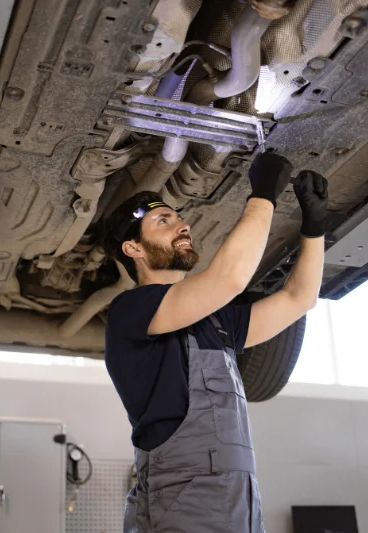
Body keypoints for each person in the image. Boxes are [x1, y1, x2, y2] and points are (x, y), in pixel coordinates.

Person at [102, 152, 328, 533]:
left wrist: (315, 228)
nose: (183, 226)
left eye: (178, 217)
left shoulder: (215, 321)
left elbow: (298, 300)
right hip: (185, 493)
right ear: (133, 249)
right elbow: (229, 280)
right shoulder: (131, 311)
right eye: (164, 221)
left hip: (234, 496)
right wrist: (263, 195)